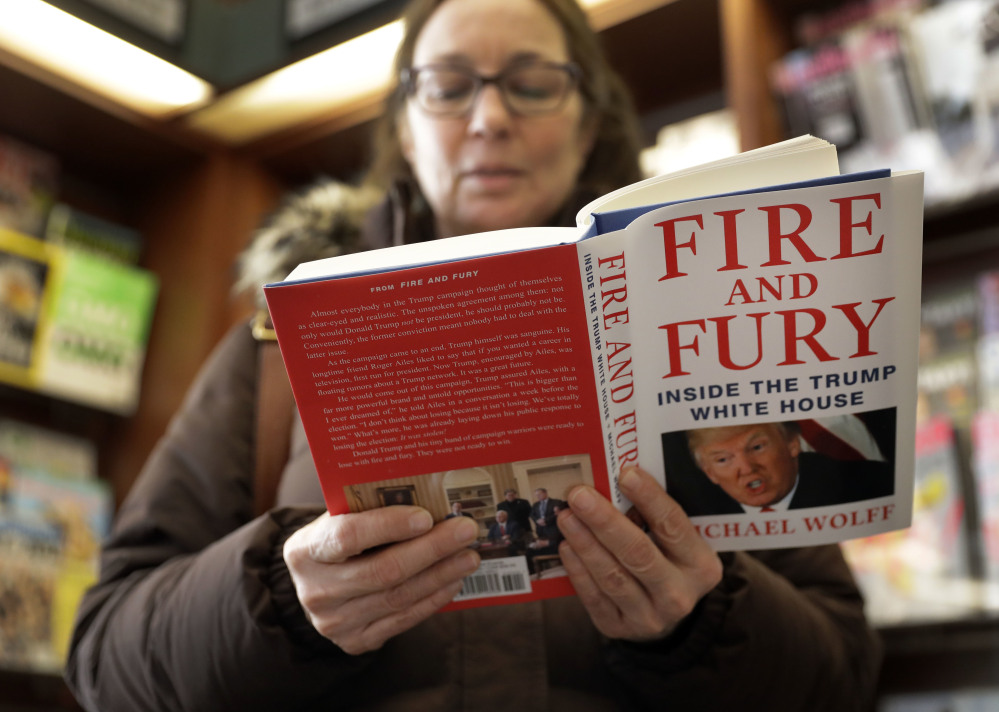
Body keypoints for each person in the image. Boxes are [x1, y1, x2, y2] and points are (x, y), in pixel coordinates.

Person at [64, 0, 883, 709]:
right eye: (449, 86)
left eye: (530, 83)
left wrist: (701, 621)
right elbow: (106, 659)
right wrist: (283, 600)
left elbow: (841, 679)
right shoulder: (274, 350)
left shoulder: (705, 336)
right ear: (405, 128)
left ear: (587, 120)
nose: (489, 118)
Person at [685, 421, 895, 515]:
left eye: (757, 447)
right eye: (723, 459)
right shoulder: (695, 514)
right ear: (709, 473)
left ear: (792, 444)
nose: (747, 469)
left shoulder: (871, 485)